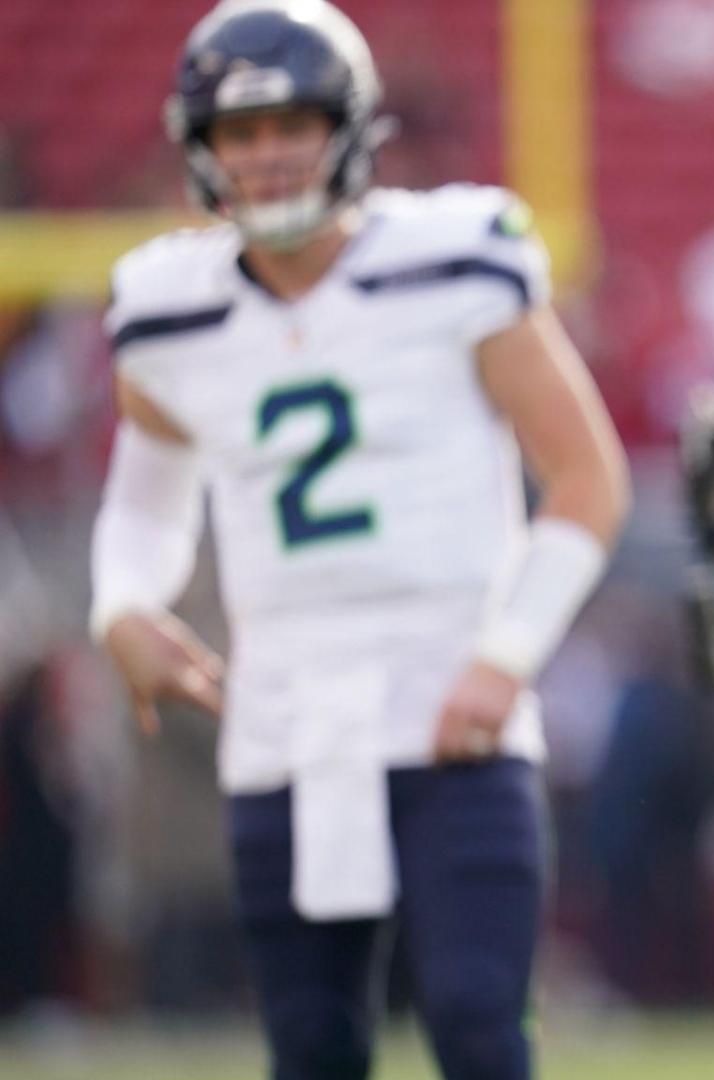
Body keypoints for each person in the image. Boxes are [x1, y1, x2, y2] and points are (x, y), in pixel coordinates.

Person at [90, 3, 630, 1077]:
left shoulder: (457, 260)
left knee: (479, 1030)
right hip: (284, 720)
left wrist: (503, 657)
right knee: (312, 1048)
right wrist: (123, 607)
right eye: (240, 133)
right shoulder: (167, 309)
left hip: (451, 712)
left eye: (291, 121)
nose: (268, 153)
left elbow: (586, 479)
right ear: (202, 150)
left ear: (350, 126)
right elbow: (146, 501)